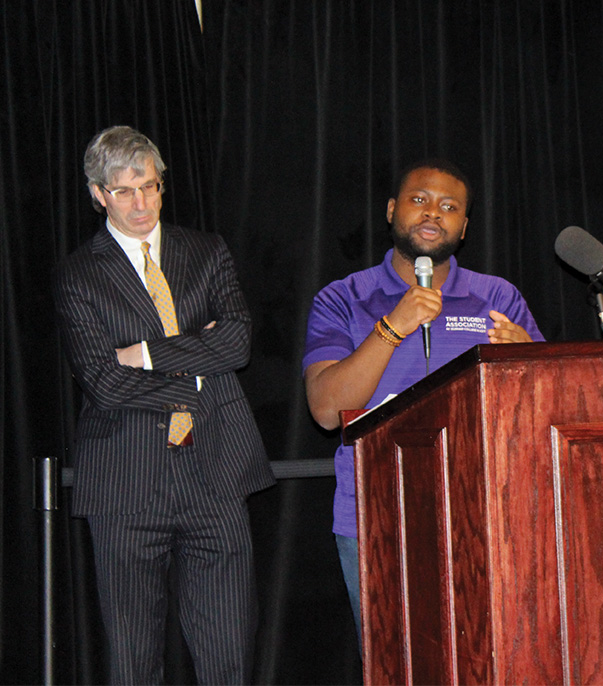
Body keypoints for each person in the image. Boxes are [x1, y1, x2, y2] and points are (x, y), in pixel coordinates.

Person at [54, 126, 275, 684]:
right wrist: (198, 379)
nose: (141, 204)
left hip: (216, 476)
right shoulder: (79, 274)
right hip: (126, 482)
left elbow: (238, 341)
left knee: (228, 659)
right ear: (98, 193)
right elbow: (104, 382)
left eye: (150, 187)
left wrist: (147, 353)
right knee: (133, 663)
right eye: (124, 191)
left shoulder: (206, 250)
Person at [302, 159, 544, 641]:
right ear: (391, 211)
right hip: (377, 514)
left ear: (465, 226)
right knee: (396, 654)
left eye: (450, 207)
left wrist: (528, 363)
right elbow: (327, 410)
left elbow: (545, 408)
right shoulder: (343, 298)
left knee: (493, 650)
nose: (434, 214)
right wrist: (393, 326)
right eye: (419, 200)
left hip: (490, 510)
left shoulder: (498, 296)